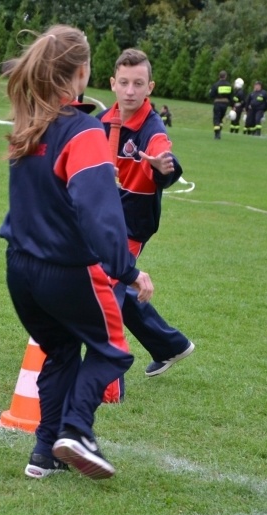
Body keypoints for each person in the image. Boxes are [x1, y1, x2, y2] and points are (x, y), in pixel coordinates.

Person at [0, 25, 153, 481]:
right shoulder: (84, 130)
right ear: (82, 72)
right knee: (113, 352)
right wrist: (128, 271)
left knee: (62, 351)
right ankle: (77, 430)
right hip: (66, 269)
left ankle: (43, 453)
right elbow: (99, 213)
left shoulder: (30, 124)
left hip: (19, 269)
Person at [96, 48, 194, 381]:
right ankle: (170, 345)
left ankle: (109, 378)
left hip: (132, 224)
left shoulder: (152, 127)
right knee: (108, 282)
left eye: (138, 84)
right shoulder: (101, 122)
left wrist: (164, 167)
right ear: (112, 83)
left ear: (150, 87)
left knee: (106, 284)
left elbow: (163, 154)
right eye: (124, 82)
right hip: (99, 219)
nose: (130, 91)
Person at [209, 70, 232, 139]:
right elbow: (231, 96)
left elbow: (211, 94)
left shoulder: (216, 85)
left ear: (219, 76)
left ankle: (217, 134)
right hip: (225, 104)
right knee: (221, 118)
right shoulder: (229, 85)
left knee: (216, 118)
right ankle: (219, 131)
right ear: (226, 76)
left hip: (217, 103)